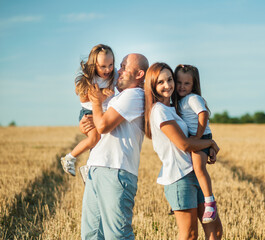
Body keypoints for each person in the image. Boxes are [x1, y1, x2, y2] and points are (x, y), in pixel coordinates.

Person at [144, 62, 223, 240]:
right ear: (152, 86)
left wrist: (208, 146)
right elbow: (185, 144)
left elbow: (194, 136)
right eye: (160, 82)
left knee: (215, 231)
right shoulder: (159, 111)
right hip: (179, 177)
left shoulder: (175, 108)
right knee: (189, 235)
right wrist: (210, 142)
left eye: (170, 80)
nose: (168, 85)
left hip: (194, 172)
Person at [79, 53, 149, 239]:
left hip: (116, 171)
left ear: (140, 74)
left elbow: (103, 125)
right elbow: (99, 123)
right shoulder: (120, 97)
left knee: (116, 236)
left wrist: (95, 101)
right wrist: (87, 123)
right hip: (98, 168)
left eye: (124, 67)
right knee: (92, 235)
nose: (118, 71)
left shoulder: (135, 95)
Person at [61, 44, 117, 177]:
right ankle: (69, 158)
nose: (108, 69)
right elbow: (87, 97)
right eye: (103, 66)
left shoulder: (114, 74)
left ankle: (89, 167)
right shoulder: (90, 79)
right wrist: (102, 92)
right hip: (88, 113)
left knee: (103, 142)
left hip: (103, 113)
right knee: (94, 139)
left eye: (110, 64)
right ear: (94, 64)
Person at [174, 64, 217, 224]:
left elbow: (203, 113)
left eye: (187, 83)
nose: (182, 86)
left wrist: (198, 137)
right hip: (194, 137)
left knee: (199, 168)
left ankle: (209, 202)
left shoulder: (193, 98)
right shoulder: (180, 101)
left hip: (200, 135)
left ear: (194, 85)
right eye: (179, 82)